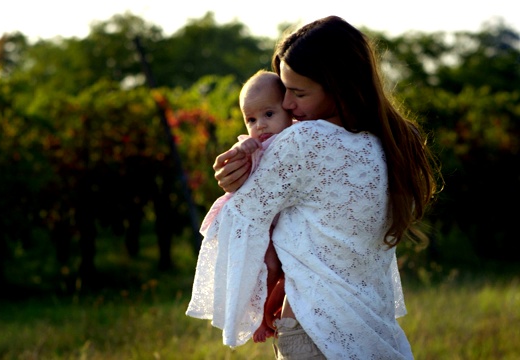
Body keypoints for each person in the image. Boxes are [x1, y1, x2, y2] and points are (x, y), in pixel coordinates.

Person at [186, 15, 441, 359]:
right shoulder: (389, 144)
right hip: (376, 331)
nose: (287, 105)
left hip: (315, 334)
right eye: (285, 89)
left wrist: (234, 187)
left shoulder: (305, 141)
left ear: (338, 86)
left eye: (299, 92)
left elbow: (241, 219)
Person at [198, 70, 295, 344]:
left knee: (286, 275)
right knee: (270, 266)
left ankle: (270, 314)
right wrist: (243, 150)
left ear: (289, 113)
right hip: (258, 224)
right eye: (251, 119)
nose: (260, 126)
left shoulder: (293, 140)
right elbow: (233, 163)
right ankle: (260, 317)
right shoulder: (251, 145)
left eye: (268, 114)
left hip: (279, 224)